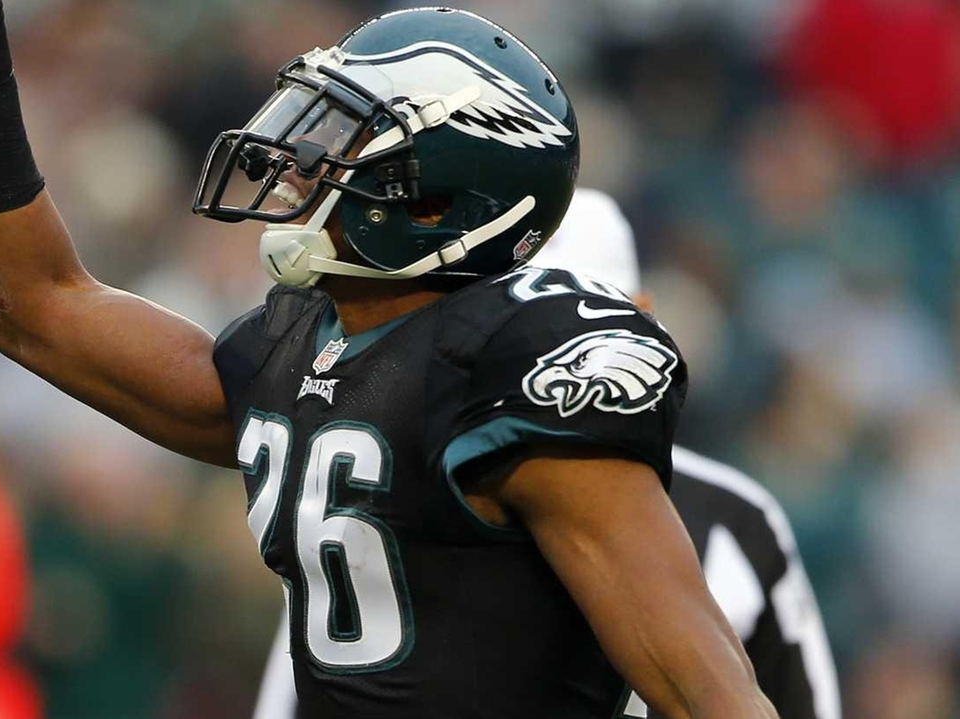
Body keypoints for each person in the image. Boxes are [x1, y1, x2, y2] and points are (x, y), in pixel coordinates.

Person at [0, 2, 778, 716]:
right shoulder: (297, 347)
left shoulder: (510, 367)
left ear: (432, 199)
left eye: (346, 135)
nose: (299, 160)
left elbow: (705, 689)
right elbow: (28, 307)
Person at [252, 189, 842, 718]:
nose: (542, 348)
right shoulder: (378, 478)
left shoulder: (736, 519)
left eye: (571, 320)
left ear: (640, 319)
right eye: (515, 324)